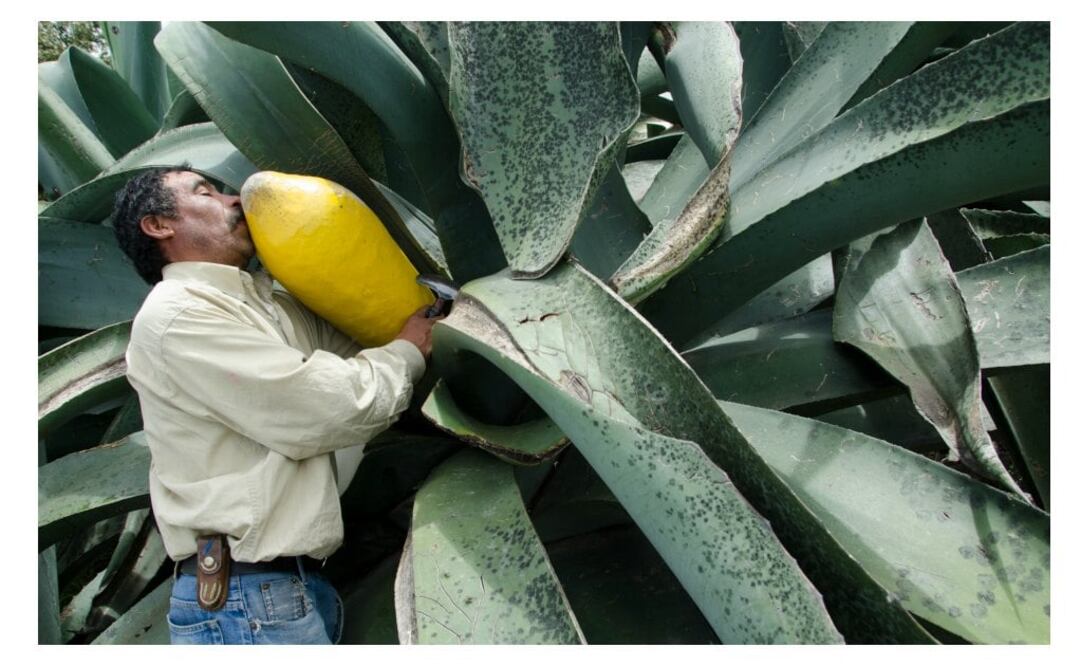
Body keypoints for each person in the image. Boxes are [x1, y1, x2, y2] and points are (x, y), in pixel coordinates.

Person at [112, 166, 440, 645]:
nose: (233, 201)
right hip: (245, 601)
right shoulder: (179, 314)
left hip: (288, 589)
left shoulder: (268, 306)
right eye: (205, 192)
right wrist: (408, 351)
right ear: (159, 225)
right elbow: (331, 407)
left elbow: (360, 349)